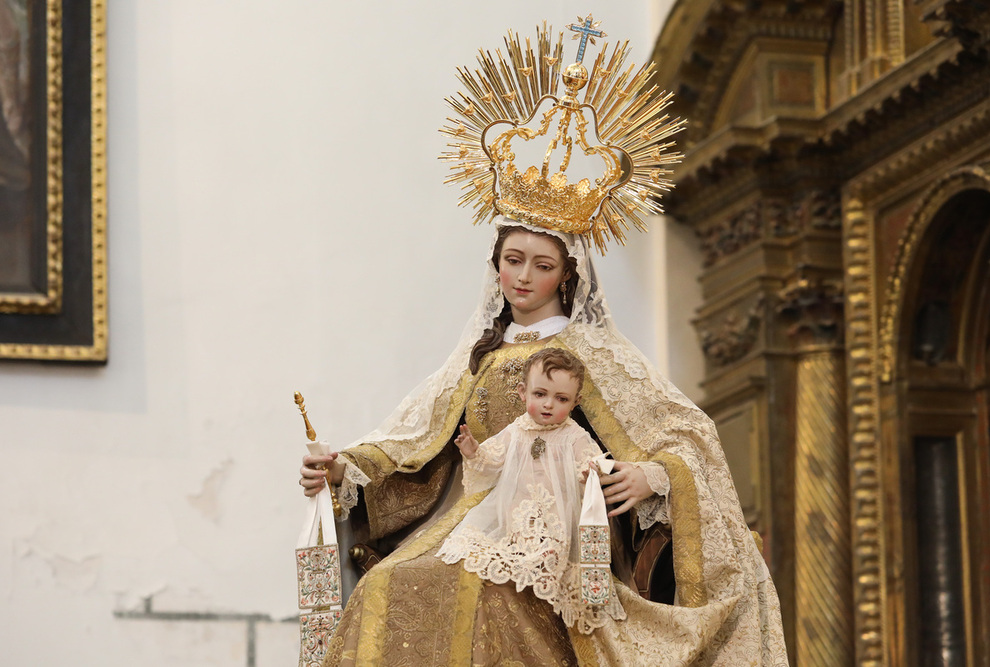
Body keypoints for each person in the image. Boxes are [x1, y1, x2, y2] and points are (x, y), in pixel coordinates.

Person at [298, 19, 787, 666]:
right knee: (388, 584)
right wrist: (343, 468)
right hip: (470, 520)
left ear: (569, 273)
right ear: (495, 263)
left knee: (480, 589)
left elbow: (685, 439)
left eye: (542, 264)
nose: (524, 278)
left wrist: (653, 474)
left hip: (557, 535)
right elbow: (415, 443)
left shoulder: (594, 353)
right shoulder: (480, 355)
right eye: (512, 259)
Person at [437, 347, 620, 634]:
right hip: (516, 512)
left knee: (549, 555)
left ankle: (543, 598)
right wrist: (474, 452)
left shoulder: (574, 435)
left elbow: (594, 463)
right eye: (540, 394)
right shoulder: (517, 430)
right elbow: (492, 462)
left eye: (560, 399)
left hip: (556, 518)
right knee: (485, 554)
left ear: (576, 402)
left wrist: (590, 472)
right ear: (523, 393)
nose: (548, 405)